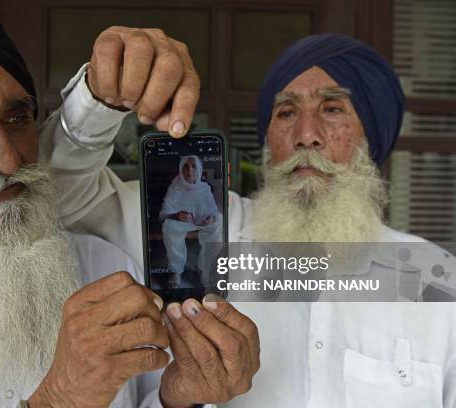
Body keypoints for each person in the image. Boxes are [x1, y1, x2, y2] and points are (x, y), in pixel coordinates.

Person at [0, 1, 259, 407]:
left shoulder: (107, 269)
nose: (7, 160)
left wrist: (177, 397)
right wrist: (57, 399)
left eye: (16, 119)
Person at [46, 32, 456, 407]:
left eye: (332, 108)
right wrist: (100, 100)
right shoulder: (212, 225)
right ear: (267, 136)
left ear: (373, 136)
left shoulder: (436, 279)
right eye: (286, 112)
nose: (306, 134)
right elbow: (62, 196)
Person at [159, 156, 221, 288]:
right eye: (186, 167)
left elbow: (214, 211)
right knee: (169, 226)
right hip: (182, 223)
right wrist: (176, 215)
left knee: (219, 222)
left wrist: (210, 217)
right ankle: (176, 272)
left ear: (199, 169)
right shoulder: (175, 186)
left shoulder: (204, 188)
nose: (190, 171)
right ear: (181, 170)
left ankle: (206, 270)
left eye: (194, 167)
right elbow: (163, 214)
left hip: (203, 222)